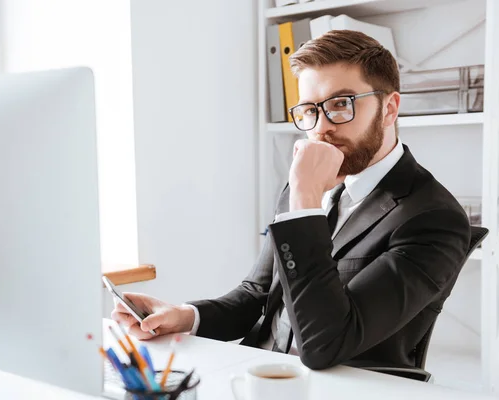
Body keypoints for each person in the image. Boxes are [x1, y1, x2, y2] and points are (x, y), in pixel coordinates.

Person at [112, 30, 471, 370]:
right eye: (310, 110)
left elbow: (327, 344)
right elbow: (257, 294)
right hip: (257, 373)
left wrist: (305, 201)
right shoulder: (304, 186)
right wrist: (185, 316)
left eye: (341, 104)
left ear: (389, 108)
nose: (321, 127)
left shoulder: (434, 218)